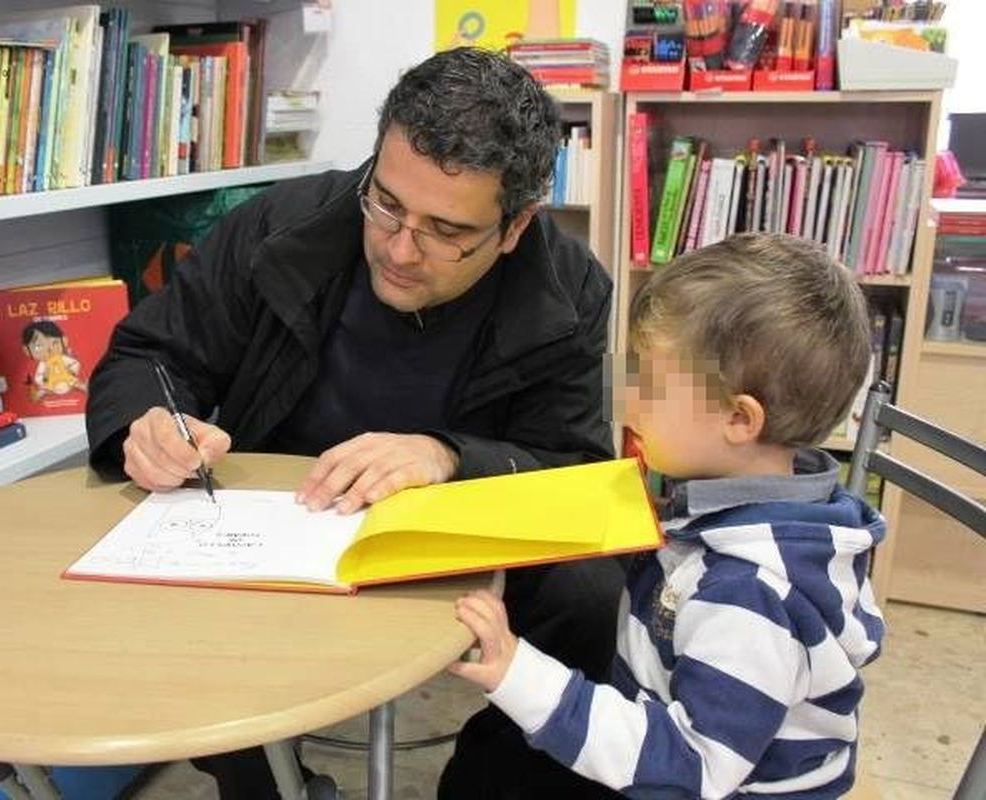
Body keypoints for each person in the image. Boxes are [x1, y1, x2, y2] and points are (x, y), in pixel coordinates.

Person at [86, 47, 621, 799]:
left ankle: (490, 784)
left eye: (445, 231)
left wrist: (448, 456)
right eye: (388, 205)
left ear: (514, 226)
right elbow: (150, 352)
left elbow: (576, 475)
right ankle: (263, 784)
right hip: (285, 515)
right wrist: (147, 421)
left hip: (457, 532)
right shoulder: (279, 226)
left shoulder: (567, 290)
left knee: (592, 593)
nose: (400, 250)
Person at [443, 233, 887, 799]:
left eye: (648, 386)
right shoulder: (769, 505)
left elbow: (690, 769)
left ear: (738, 419)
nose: (624, 400)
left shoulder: (751, 596)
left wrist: (519, 673)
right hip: (664, 724)